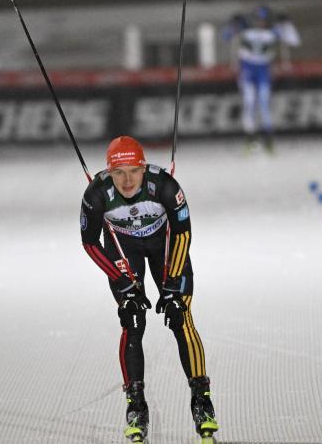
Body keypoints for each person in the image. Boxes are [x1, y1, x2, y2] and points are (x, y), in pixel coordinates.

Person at [80, 136, 218, 443]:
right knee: (132, 321)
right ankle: (136, 405)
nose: (127, 180)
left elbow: (182, 235)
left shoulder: (166, 186)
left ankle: (201, 400)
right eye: (119, 173)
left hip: (164, 246)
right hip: (123, 247)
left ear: (143, 169)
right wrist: (123, 283)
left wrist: (171, 289)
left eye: (133, 171)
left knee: (181, 317)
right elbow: (90, 243)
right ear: (109, 173)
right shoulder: (97, 194)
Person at [225, 5, 301, 152]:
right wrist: (232, 23)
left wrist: (287, 24)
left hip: (263, 70)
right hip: (247, 69)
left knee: (264, 104)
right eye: (257, 19)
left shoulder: (273, 31)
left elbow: (294, 40)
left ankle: (268, 139)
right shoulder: (245, 29)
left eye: (263, 20)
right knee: (249, 102)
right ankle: (250, 138)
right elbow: (226, 36)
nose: (260, 23)